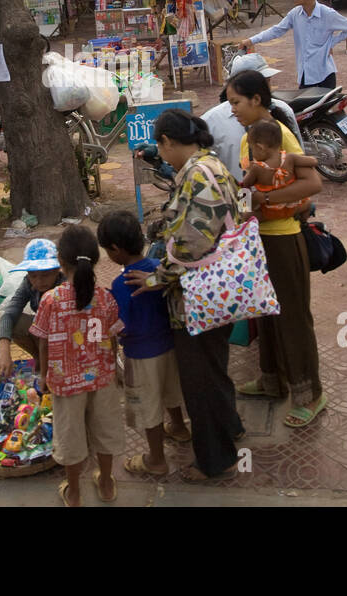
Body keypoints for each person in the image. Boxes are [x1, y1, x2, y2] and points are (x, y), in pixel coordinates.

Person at [132, 109, 244, 481]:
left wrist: (155, 279)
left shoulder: (199, 176)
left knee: (200, 381)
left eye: (161, 147)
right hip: (219, 288)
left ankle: (216, 461)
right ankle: (229, 428)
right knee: (213, 370)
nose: (161, 154)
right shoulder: (210, 165)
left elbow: (191, 248)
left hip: (200, 297)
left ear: (167, 142)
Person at [226, 69, 326, 426]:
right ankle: (272, 381)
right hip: (258, 240)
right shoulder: (249, 138)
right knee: (264, 313)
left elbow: (312, 183)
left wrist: (264, 201)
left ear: (257, 100)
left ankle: (310, 394)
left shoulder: (279, 135)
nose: (232, 108)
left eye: (236, 102)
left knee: (292, 318)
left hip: (283, 238)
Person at [31, 225, 121, 506]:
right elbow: (113, 337)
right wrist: (113, 367)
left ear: (60, 260)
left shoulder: (50, 300)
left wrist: (44, 375)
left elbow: (43, 342)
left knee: (70, 437)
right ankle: (105, 483)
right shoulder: (106, 298)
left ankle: (75, 493)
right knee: (105, 431)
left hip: (65, 381)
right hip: (103, 378)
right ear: (95, 260)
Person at [98, 210, 191, 478]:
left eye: (107, 250)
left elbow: (121, 325)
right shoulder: (159, 268)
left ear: (115, 250)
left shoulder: (122, 282)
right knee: (171, 391)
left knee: (149, 408)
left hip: (141, 356)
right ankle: (179, 427)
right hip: (170, 346)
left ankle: (156, 459)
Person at [238, 0, 347, 89]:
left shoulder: (327, 14)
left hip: (325, 74)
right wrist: (251, 40)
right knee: (306, 109)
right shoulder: (295, 14)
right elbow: (276, 30)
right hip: (305, 75)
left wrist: (331, 43)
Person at [201, 53, 299, 183]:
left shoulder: (282, 126)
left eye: (267, 82)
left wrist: (267, 198)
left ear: (256, 99)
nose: (266, 88)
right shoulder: (213, 121)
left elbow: (308, 180)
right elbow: (246, 177)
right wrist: (246, 202)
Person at [0, 238, 63, 381]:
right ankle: (39, 359)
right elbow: (8, 315)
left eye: (45, 275)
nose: (39, 281)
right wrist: (4, 352)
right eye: (33, 275)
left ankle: (49, 365)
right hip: (43, 333)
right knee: (15, 321)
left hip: (65, 337)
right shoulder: (27, 283)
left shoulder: (65, 286)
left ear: (57, 270)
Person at [240, 118, 320, 221]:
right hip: (292, 207)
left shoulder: (258, 167)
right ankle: (304, 221)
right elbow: (313, 161)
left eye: (252, 148)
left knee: (246, 216)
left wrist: (243, 209)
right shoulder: (290, 158)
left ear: (260, 148)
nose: (252, 152)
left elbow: (245, 185)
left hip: (270, 212)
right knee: (308, 203)